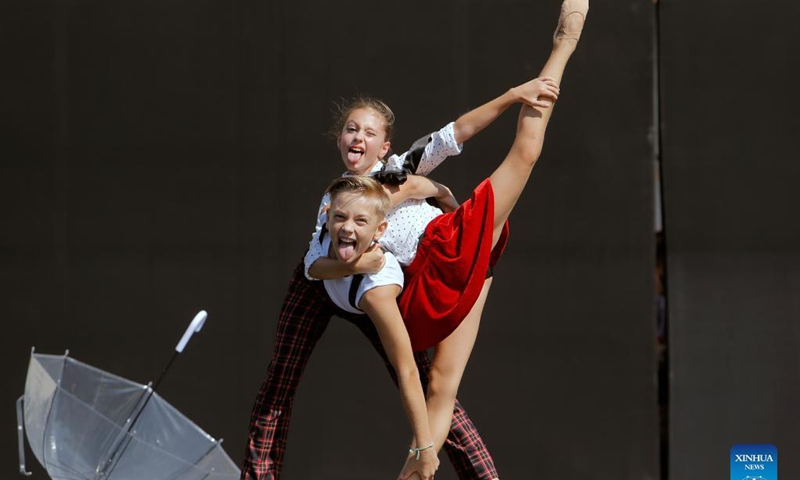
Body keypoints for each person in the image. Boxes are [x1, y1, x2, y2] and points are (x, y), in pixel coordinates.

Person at [241, 0, 587, 477]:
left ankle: (562, 48)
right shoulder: (337, 204)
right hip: (413, 282)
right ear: (339, 140)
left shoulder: (399, 168)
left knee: (525, 154)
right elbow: (315, 265)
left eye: (369, 132)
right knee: (436, 388)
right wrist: (355, 264)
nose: (357, 137)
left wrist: (513, 95)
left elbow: (456, 132)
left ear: (385, 146)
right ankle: (418, 468)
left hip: (450, 248)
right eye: (350, 129)